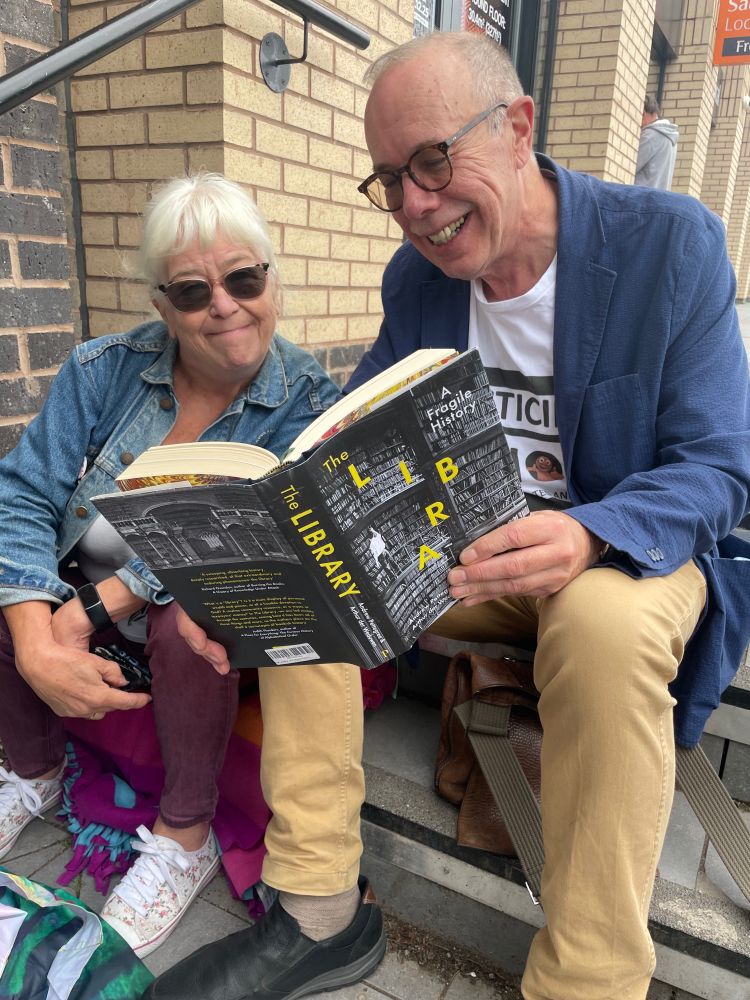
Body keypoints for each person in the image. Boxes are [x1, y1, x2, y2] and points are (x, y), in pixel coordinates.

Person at [145, 32, 750, 1000]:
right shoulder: (417, 280)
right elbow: (350, 439)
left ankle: (589, 981)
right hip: (465, 562)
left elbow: (720, 469)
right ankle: (318, 913)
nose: (416, 206)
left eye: (434, 160)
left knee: (599, 621)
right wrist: (244, 582)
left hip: (620, 558)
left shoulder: (666, 245)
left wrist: (591, 531)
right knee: (314, 573)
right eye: (390, 179)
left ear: (519, 128)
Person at [0, 172, 388, 971]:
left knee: (196, 614)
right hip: (85, 608)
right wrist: (40, 636)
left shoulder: (308, 399)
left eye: (245, 278)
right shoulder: (102, 370)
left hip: (198, 627)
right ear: (161, 307)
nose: (225, 304)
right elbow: (20, 494)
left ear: (272, 278)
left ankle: (184, 834)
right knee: (11, 582)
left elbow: (242, 539)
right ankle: (32, 769)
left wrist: (99, 605)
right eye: (191, 290)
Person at [635, 94, 679, 188]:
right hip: (659, 197)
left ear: (644, 113)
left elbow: (632, 165)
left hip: (641, 197)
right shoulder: (671, 139)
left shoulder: (650, 134)